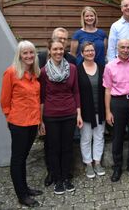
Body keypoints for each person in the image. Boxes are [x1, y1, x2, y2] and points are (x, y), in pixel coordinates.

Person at [0, 40, 42, 207]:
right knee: (17, 159)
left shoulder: (34, 74)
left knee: (24, 157)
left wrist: (38, 120)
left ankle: (25, 188)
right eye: (25, 53)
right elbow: (4, 100)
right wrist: (10, 118)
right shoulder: (11, 73)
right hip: (18, 123)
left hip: (32, 122)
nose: (29, 56)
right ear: (19, 55)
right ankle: (21, 195)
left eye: (31, 52)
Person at [39, 39, 83, 195]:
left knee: (67, 148)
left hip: (69, 114)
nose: (58, 52)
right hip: (51, 115)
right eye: (55, 49)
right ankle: (57, 179)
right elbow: (42, 97)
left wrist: (78, 114)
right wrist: (41, 120)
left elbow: (76, 91)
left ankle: (66, 178)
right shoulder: (43, 72)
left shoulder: (72, 69)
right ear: (49, 51)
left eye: (61, 49)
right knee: (53, 148)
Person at [103, 39, 129, 182]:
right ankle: (117, 166)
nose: (125, 50)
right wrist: (108, 111)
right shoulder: (110, 66)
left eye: (128, 47)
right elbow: (107, 90)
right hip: (117, 103)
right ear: (117, 48)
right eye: (122, 47)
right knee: (117, 137)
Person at [77, 42, 106, 178]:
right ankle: (88, 164)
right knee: (86, 138)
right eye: (87, 51)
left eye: (92, 50)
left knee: (99, 136)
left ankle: (98, 162)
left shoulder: (102, 67)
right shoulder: (77, 70)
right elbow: (75, 92)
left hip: (100, 109)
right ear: (82, 53)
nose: (90, 52)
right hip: (85, 111)